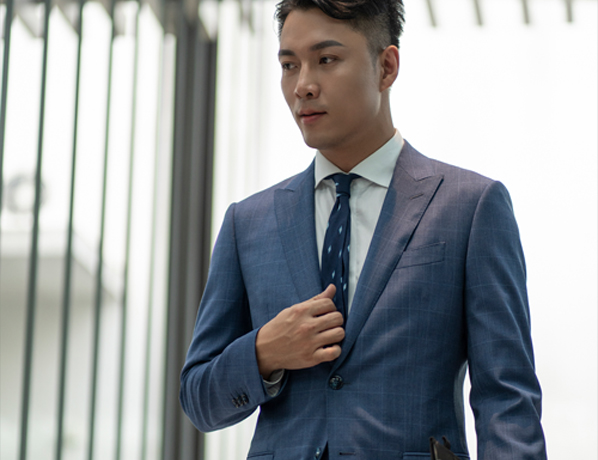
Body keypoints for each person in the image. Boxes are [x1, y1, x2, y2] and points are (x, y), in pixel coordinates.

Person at [180, 1, 548, 459]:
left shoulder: (469, 207)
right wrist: (263, 352)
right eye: (289, 65)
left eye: (326, 59)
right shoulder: (248, 223)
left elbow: (507, 402)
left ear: (386, 67)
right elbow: (199, 400)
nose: (303, 85)